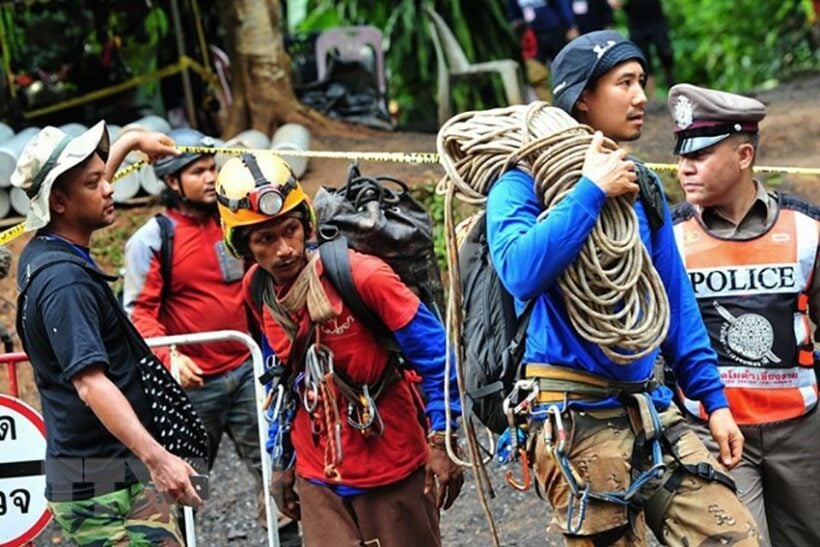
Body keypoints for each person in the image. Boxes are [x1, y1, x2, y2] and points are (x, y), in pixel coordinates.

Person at [485, 30, 760, 544]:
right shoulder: (523, 181)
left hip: (650, 406)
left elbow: (675, 304)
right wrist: (590, 190)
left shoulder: (642, 186)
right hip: (572, 413)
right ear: (582, 98)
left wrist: (715, 402)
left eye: (641, 81)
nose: (641, 97)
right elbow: (519, 271)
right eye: (625, 82)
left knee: (734, 536)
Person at [214, 153, 464, 546]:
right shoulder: (257, 290)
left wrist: (441, 442)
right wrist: (280, 465)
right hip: (318, 478)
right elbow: (279, 382)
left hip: (392, 466)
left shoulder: (363, 276)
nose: (284, 249)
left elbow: (437, 359)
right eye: (265, 239)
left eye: (291, 230)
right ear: (242, 246)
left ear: (306, 225)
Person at [13, 122, 202, 546]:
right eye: (96, 183)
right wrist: (159, 460)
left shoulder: (48, 247)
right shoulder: (66, 284)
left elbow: (85, 187)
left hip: (105, 472)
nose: (110, 188)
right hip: (103, 489)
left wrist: (132, 143)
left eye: (105, 177)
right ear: (58, 202)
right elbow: (91, 384)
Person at [668, 83, 820, 547]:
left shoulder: (807, 229)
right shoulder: (668, 238)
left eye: (701, 155)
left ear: (744, 155)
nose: (684, 167)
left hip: (802, 432)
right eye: (681, 156)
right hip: (713, 431)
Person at [122, 128, 268, 525]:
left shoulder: (235, 224)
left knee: (276, 472)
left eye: (211, 169)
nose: (210, 178)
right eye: (197, 171)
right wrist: (170, 356)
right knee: (185, 484)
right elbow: (138, 312)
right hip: (192, 386)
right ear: (172, 181)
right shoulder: (152, 239)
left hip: (247, 371)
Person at [608, 0, 675, 99]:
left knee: (665, 53)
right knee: (643, 60)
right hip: (636, 25)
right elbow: (614, 4)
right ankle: (652, 98)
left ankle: (673, 87)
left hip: (657, 20)